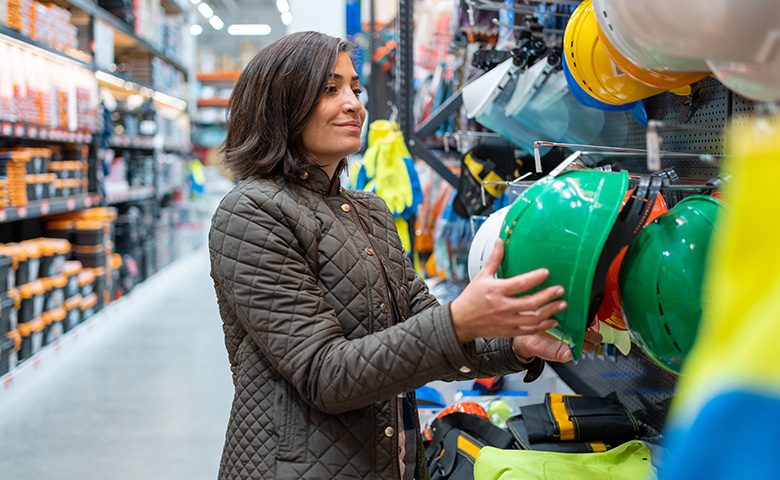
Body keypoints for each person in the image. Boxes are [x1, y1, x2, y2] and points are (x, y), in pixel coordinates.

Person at [209, 31, 601, 480]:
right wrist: (459, 321)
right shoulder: (252, 212)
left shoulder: (369, 211)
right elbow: (324, 374)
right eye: (329, 89)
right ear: (281, 102)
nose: (355, 103)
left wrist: (515, 344)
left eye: (354, 88)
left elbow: (421, 331)